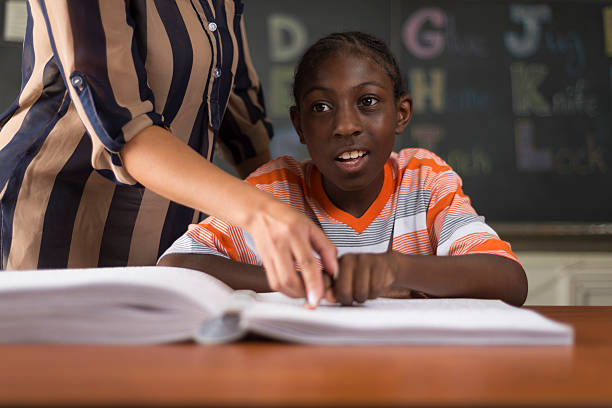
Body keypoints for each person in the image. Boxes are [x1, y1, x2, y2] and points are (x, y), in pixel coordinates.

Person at [0, 1, 337, 308]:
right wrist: (262, 212)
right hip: (53, 228)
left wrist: (307, 217)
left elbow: (242, 122)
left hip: (163, 245)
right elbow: (123, 127)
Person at [158, 31, 528, 307]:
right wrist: (308, 280)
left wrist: (395, 268)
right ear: (299, 126)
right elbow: (176, 264)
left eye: (367, 101)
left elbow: (510, 280)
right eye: (321, 107)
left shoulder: (424, 179)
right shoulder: (276, 189)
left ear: (401, 114)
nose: (345, 126)